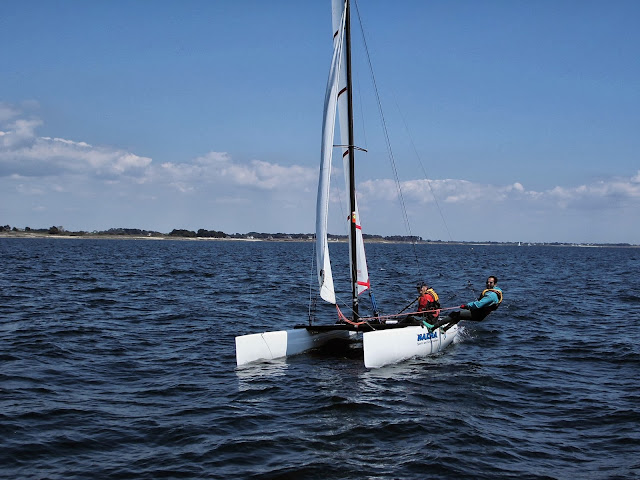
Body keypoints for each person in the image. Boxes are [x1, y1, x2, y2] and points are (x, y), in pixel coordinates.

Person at [431, 276, 503, 330]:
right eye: (487, 282)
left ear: (495, 284)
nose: (488, 284)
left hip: (478, 314)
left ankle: (433, 327)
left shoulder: (491, 295)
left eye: (491, 283)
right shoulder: (496, 291)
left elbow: (478, 305)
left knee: (455, 314)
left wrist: (467, 306)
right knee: (459, 316)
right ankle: (444, 329)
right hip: (479, 313)